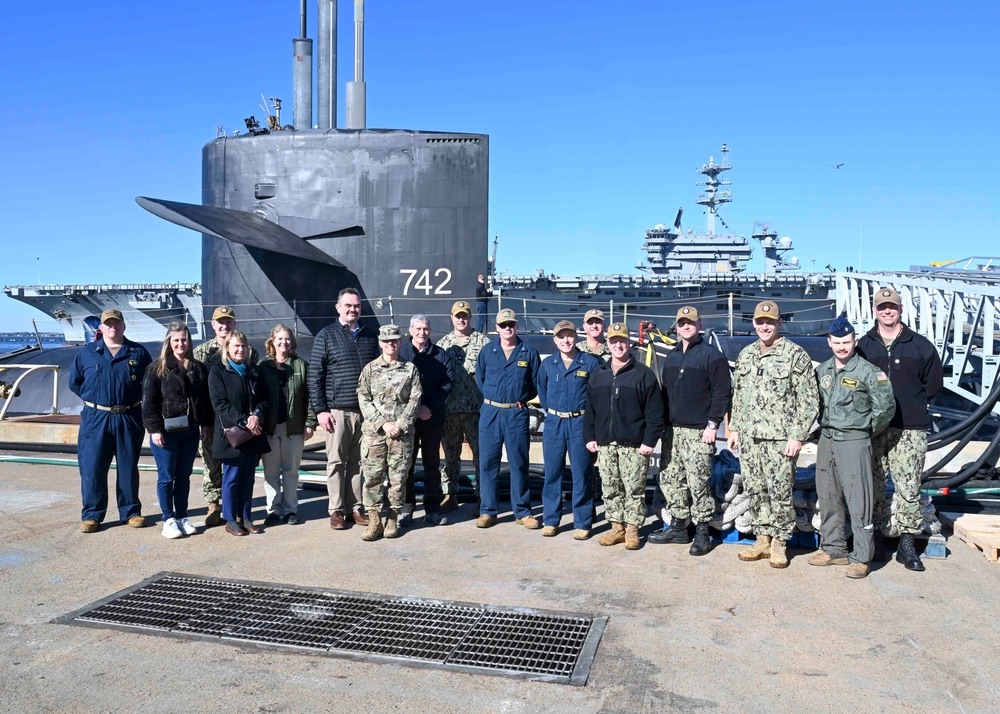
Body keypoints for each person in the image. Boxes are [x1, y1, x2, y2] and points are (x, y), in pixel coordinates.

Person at [857, 287, 943, 571]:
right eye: (882, 307)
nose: (887, 311)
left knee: (908, 487)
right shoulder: (864, 346)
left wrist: (912, 404)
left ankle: (907, 545)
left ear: (901, 309)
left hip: (910, 428)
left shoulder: (920, 345)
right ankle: (879, 541)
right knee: (875, 485)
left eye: (891, 306)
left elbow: (933, 385)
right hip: (876, 428)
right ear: (874, 310)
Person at [728, 300, 819, 568]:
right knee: (756, 489)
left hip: (781, 439)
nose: (765, 326)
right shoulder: (746, 354)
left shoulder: (795, 355)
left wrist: (797, 435)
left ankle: (780, 542)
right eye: (760, 321)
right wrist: (734, 427)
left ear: (779, 323)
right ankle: (763, 539)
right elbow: (739, 395)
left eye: (770, 321)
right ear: (754, 323)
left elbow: (809, 400)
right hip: (750, 437)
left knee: (780, 491)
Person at [809, 316, 896, 579]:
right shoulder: (822, 371)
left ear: (855, 341)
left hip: (854, 441)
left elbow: (886, 407)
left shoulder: (870, 372)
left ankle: (861, 556)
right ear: (829, 342)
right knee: (828, 495)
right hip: (827, 439)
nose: (841, 347)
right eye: (837, 343)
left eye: (846, 342)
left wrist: (864, 430)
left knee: (859, 500)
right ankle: (834, 549)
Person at [649, 306, 731, 555]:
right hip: (673, 431)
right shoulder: (672, 355)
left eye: (691, 323)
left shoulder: (711, 356)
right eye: (682, 323)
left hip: (699, 432)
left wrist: (712, 424)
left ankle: (703, 531)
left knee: (698, 483)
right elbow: (665, 393)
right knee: (672, 480)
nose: (686, 327)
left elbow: (722, 393)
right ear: (677, 326)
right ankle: (678, 526)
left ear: (700, 325)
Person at [69, 309, 153, 533]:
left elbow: (150, 384)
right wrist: (97, 401)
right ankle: (92, 515)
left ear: (124, 326)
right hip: (96, 418)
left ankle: (131, 512)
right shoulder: (87, 353)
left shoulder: (138, 352)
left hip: (128, 416)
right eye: (109, 324)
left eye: (117, 323)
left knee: (127, 466)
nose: (113, 327)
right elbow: (75, 383)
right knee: (93, 466)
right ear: (102, 328)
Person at [584, 322, 664, 550]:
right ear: (607, 344)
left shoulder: (643, 375)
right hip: (606, 444)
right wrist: (590, 436)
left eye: (622, 341)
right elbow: (590, 409)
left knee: (634, 488)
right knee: (610, 488)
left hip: (634, 444)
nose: (618, 345)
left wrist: (649, 441)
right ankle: (616, 527)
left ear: (629, 343)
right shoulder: (598, 375)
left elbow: (655, 412)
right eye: (613, 341)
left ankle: (632, 529)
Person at [308, 287, 380, 531]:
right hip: (337, 411)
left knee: (360, 462)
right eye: (348, 305)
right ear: (338, 308)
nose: (353, 309)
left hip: (364, 411)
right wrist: (320, 410)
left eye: (357, 306)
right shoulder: (326, 336)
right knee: (336, 461)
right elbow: (315, 375)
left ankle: (356, 507)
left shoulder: (370, 336)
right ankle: (336, 509)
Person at [142, 321, 213, 539]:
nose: (181, 343)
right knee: (166, 476)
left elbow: (205, 401)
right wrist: (154, 429)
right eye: (176, 340)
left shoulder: (198, 368)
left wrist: (206, 425)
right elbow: (149, 402)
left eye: (184, 339)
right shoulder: (157, 369)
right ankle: (168, 519)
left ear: (189, 341)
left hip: (190, 431)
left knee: (184, 476)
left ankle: (182, 516)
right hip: (165, 432)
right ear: (169, 342)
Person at [475, 308, 541, 529]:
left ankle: (522, 511)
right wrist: (495, 399)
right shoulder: (487, 352)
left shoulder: (528, 352)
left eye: (511, 324)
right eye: (503, 325)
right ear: (497, 328)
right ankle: (488, 511)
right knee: (488, 463)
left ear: (517, 326)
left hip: (516, 412)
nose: (507, 328)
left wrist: (516, 399)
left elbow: (534, 385)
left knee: (519, 463)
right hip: (491, 412)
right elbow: (480, 380)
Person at [194, 306, 259, 527]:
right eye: (220, 322)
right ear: (213, 325)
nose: (224, 325)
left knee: (242, 471)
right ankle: (214, 505)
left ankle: (241, 513)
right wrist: (201, 421)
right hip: (212, 417)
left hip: (240, 423)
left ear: (234, 324)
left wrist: (252, 416)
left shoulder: (250, 357)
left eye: (228, 321)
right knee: (211, 463)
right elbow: (197, 392)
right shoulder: (201, 353)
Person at [357, 324, 423, 541]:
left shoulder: (410, 369)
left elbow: (415, 399)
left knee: (398, 478)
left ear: (399, 342)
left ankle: (392, 517)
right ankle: (374, 519)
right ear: (380, 343)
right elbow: (363, 398)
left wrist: (401, 425)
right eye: (386, 341)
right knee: (373, 477)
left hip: (401, 435)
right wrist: (382, 423)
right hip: (375, 433)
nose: (390, 344)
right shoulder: (369, 369)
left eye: (394, 340)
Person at [537, 320, 601, 539]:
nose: (566, 340)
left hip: (579, 424)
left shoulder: (589, 363)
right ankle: (551, 520)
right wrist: (553, 412)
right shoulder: (548, 364)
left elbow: (596, 397)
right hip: (554, 423)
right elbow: (542, 391)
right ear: (554, 340)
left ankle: (582, 522)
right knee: (552, 473)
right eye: (561, 336)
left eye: (569, 336)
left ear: (576, 337)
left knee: (581, 473)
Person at [208, 331, 270, 536]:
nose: (240, 349)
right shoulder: (218, 372)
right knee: (232, 477)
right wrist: (244, 421)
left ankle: (246, 517)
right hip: (232, 434)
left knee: (248, 477)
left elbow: (263, 399)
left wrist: (257, 415)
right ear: (227, 348)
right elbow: (220, 404)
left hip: (252, 434)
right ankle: (229, 519)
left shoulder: (253, 371)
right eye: (236, 346)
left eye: (243, 346)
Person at [258, 324, 317, 527]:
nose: (284, 342)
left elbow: (310, 397)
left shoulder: (301, 365)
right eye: (280, 339)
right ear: (272, 342)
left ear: (292, 342)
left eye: (287, 339)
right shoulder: (263, 367)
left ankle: (291, 509)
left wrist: (309, 423)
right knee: (271, 472)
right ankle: (273, 510)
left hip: (294, 427)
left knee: (291, 471)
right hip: (270, 428)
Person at [398, 314, 453, 526]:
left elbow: (447, 384)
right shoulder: (401, 353)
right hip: (407, 419)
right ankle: (407, 507)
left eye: (426, 329)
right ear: (410, 330)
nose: (422, 333)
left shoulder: (441, 355)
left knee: (432, 464)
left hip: (432, 417)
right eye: (418, 329)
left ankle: (432, 509)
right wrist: (412, 411)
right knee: (406, 464)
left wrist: (428, 407)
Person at [437, 300, 491, 510]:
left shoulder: (484, 343)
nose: (461, 319)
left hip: (476, 411)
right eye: (458, 316)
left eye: (465, 315)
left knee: (481, 456)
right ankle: (450, 494)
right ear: (452, 318)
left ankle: (482, 498)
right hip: (450, 411)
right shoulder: (443, 344)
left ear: (470, 317)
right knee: (450, 455)